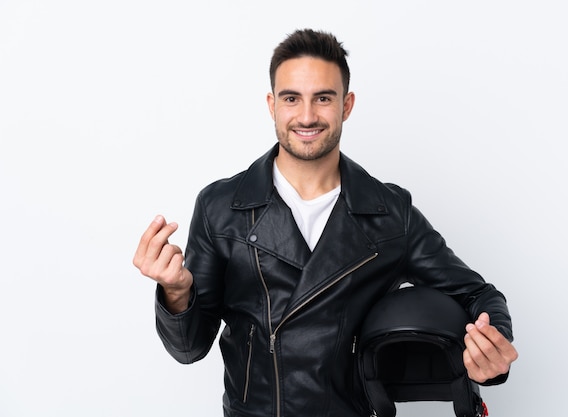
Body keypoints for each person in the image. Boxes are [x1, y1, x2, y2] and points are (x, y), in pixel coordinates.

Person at [133, 28, 518, 417]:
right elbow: (189, 349)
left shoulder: (390, 213)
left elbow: (479, 295)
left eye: (323, 98)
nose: (306, 116)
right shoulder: (221, 207)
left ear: (346, 105)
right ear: (272, 105)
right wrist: (177, 293)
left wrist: (492, 350)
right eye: (291, 98)